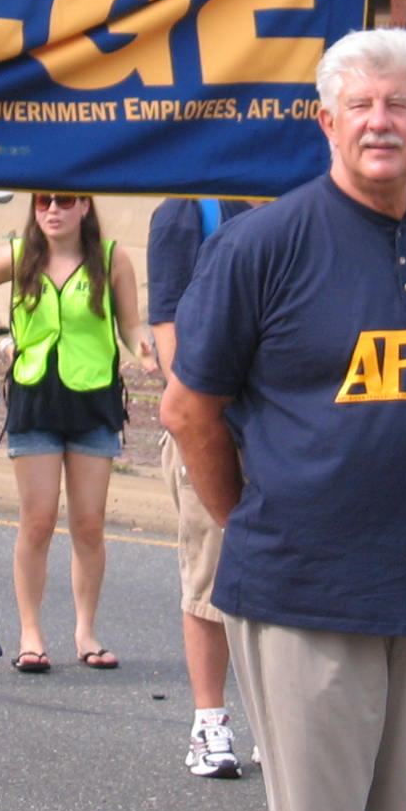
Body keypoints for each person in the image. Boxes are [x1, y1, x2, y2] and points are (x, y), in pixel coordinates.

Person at [161, 27, 406, 811]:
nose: (378, 122)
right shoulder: (264, 244)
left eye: (397, 104)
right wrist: (254, 524)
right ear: (326, 121)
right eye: (359, 105)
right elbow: (189, 410)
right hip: (307, 595)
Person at [0, 193, 154, 673]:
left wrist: (148, 351)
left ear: (85, 207)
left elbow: (130, 326)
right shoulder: (18, 254)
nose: (53, 210)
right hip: (36, 397)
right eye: (43, 201)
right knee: (39, 519)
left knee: (89, 523)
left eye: (65, 201)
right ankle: (30, 633)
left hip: (93, 398)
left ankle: (85, 631)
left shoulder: (112, 259)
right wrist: (2, 339)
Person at [147, 193, 255, 777]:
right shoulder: (188, 211)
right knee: (210, 577)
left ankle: (276, 722)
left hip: (278, 432)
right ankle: (209, 723)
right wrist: (195, 418)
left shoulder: (304, 200)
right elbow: (168, 323)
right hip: (211, 427)